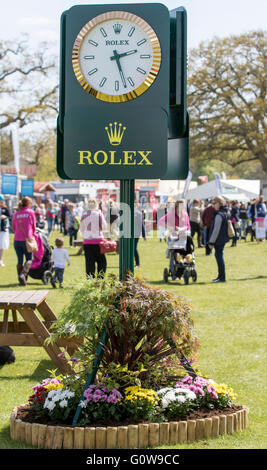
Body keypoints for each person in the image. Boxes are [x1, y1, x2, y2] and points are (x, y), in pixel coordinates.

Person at [12, 196, 36, 286]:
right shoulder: (30, 212)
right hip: (27, 239)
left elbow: (13, 226)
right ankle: (23, 275)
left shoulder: (16, 213)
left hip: (17, 239)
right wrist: (32, 235)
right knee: (29, 258)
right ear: (28, 203)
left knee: (19, 260)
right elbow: (33, 225)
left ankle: (21, 280)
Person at [80, 199, 107, 278]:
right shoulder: (99, 214)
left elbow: (81, 229)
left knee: (89, 263)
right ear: (96, 205)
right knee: (102, 262)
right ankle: (100, 278)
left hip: (87, 242)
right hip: (98, 241)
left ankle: (90, 280)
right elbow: (104, 226)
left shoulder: (84, 215)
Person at [208, 196, 230, 283]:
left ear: (218, 203)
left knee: (219, 257)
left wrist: (211, 242)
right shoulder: (224, 212)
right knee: (219, 256)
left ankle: (221, 277)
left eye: (214, 203)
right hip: (222, 238)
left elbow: (216, 230)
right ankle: (220, 276)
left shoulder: (219, 214)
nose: (213, 206)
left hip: (218, 240)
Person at [134, 201, 146, 268]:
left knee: (134, 248)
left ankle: (137, 263)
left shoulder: (138, 214)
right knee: (131, 248)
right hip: (128, 233)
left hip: (136, 233)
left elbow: (142, 224)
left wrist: (144, 235)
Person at [0, 195, 10, 267]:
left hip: (2, 229)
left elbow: (9, 216)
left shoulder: (4, 208)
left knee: (1, 246)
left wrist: (5, 217)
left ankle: (0, 260)